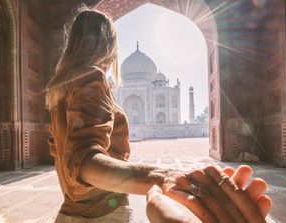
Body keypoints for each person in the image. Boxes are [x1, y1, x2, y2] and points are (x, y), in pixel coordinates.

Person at [46, 7, 272, 223]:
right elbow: (83, 162)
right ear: (109, 47)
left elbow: (66, 160)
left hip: (70, 211)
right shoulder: (92, 79)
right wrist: (163, 177)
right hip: (102, 215)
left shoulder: (60, 92)